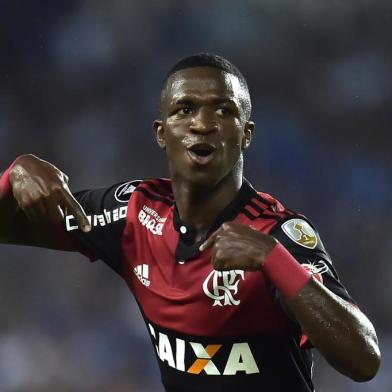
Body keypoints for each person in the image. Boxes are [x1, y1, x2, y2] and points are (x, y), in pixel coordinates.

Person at [0, 53, 380, 391]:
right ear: (161, 133)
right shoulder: (135, 212)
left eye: (224, 111)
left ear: (246, 135)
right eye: (185, 109)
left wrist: (273, 260)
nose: (203, 123)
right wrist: (13, 175)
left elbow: (364, 361)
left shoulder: (276, 233)